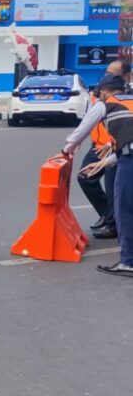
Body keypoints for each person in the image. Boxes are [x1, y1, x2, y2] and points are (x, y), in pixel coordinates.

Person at [61, 74, 133, 277]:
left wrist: (66, 149)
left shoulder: (105, 105)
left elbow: (82, 129)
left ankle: (129, 262)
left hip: (129, 158)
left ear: (103, 91)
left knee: (125, 209)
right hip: (125, 154)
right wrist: (105, 162)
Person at [69, 61, 132, 238]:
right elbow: (90, 118)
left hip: (116, 149)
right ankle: (107, 215)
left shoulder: (127, 97)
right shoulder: (99, 93)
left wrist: (113, 146)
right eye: (107, 72)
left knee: (115, 190)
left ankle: (114, 225)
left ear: (126, 76)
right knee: (85, 177)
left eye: (114, 74)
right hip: (97, 146)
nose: (109, 76)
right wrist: (78, 139)